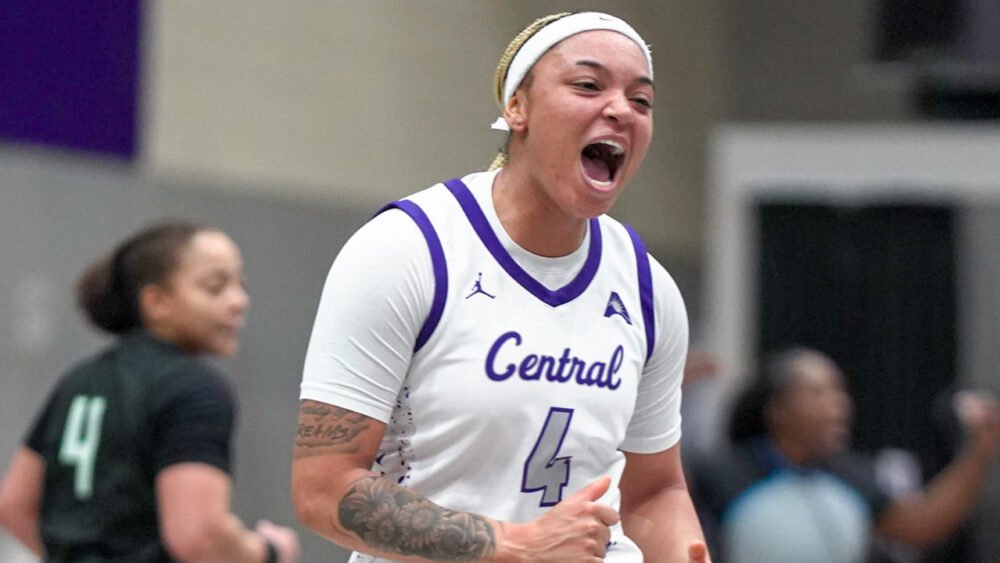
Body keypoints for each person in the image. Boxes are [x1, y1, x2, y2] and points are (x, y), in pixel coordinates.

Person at [292, 11, 710, 563]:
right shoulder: (407, 249)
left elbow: (655, 488)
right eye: (588, 85)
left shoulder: (647, 287)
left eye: (641, 100)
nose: (619, 109)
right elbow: (322, 489)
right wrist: (515, 546)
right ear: (517, 107)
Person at [0, 222, 300, 562]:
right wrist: (270, 551)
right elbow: (197, 535)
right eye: (216, 287)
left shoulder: (79, 380)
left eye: (241, 287)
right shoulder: (194, 389)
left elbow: (14, 505)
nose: (239, 302)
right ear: (156, 302)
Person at [690, 347, 1000, 563]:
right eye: (818, 393)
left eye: (840, 393)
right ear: (778, 411)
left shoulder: (854, 477)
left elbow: (921, 525)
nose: (839, 406)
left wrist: (979, 453)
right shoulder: (723, 473)